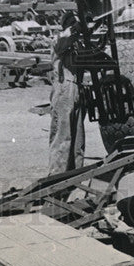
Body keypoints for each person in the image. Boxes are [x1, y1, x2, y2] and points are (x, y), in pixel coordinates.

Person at [48, 12, 85, 175]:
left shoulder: (77, 42)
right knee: (63, 135)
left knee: (78, 138)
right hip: (64, 87)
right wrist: (75, 29)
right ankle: (57, 175)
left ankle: (75, 175)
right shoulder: (60, 39)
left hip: (76, 87)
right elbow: (62, 44)